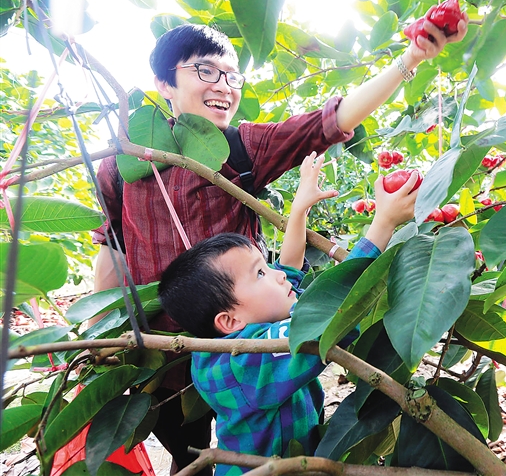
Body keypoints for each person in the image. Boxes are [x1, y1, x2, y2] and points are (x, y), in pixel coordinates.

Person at [91, 18, 467, 474]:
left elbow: (328, 123)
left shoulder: (242, 147)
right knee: (185, 451)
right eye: (205, 70)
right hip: (162, 355)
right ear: (163, 83)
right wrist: (100, 331)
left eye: (231, 75)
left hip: (244, 331)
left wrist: (410, 59)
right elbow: (112, 245)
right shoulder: (122, 164)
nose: (223, 86)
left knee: (225, 443)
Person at [157, 153, 419, 476]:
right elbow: (332, 317)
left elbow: (289, 269)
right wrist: (383, 224)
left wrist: (300, 208)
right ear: (230, 321)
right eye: (260, 273)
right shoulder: (244, 362)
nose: (277, 275)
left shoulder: (244, 327)